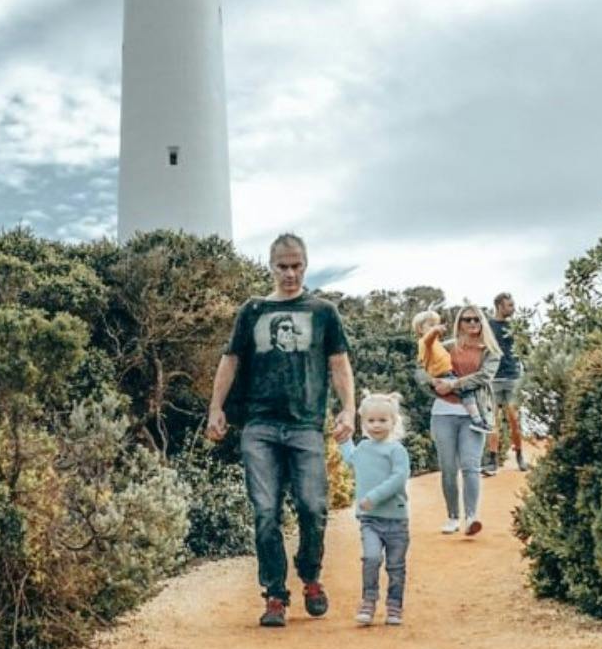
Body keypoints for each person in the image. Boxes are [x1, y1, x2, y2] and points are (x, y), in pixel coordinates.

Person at [206, 233, 355, 628]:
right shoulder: (252, 311)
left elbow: (339, 364)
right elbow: (231, 359)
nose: (290, 274)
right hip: (260, 426)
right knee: (266, 512)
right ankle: (274, 593)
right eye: (282, 266)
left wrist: (349, 409)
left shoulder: (323, 312)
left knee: (313, 507)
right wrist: (216, 408)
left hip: (306, 425)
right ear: (271, 267)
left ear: (306, 265)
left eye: (297, 266)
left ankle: (310, 576)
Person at [420, 304, 500, 536]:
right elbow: (422, 367)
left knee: (470, 466)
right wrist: (434, 384)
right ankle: (453, 516)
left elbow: (484, 377)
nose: (472, 323)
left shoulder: (490, 351)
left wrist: (454, 384)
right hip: (443, 413)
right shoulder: (446, 347)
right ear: (459, 323)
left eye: (476, 319)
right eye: (467, 319)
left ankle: (472, 516)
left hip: (475, 416)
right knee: (448, 468)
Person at [340, 392, 412, 627]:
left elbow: (399, 478)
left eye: (383, 420)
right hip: (369, 519)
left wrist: (373, 496)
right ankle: (368, 602)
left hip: (396, 519)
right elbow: (351, 458)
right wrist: (343, 440)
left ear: (393, 422)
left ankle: (394, 606)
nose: (377, 425)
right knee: (370, 558)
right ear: (364, 423)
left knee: (396, 566)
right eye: (371, 421)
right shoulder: (363, 447)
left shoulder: (396, 451)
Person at [412, 309, 489, 434]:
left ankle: (477, 417)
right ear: (420, 329)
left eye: (436, 324)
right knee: (467, 391)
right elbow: (428, 338)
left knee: (468, 390)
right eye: (431, 325)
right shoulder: (425, 343)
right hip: (444, 376)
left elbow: (450, 343)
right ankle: (478, 420)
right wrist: (435, 330)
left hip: (449, 374)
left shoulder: (435, 344)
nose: (435, 327)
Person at [487, 292, 530, 472]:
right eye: (509, 305)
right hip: (493, 378)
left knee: (514, 419)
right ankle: (492, 460)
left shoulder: (515, 326)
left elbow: (525, 348)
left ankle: (520, 456)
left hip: (513, 377)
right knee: (492, 421)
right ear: (499, 306)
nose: (513, 309)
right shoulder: (488, 326)